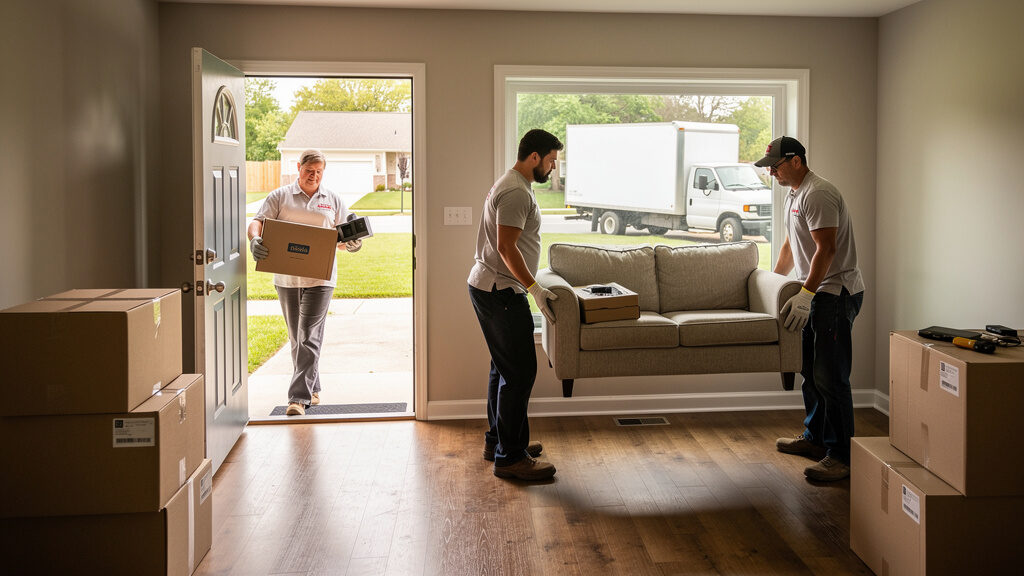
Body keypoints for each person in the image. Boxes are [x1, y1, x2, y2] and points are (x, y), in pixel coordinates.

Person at [756, 136, 865, 482]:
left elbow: (827, 249)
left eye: (775, 165)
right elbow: (792, 243)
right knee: (809, 371)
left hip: (834, 293)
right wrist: (773, 286)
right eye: (769, 167)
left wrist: (806, 294)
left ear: (797, 161)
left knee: (831, 378)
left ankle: (842, 456)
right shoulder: (795, 194)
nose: (771, 171)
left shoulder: (818, 193)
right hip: (816, 292)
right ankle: (816, 439)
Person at [467, 129, 563, 481]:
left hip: (490, 287)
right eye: (551, 160)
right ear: (534, 157)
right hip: (501, 291)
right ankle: (510, 458)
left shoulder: (513, 185)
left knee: (503, 369)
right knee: (521, 373)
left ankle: (500, 442)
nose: (553, 168)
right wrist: (534, 289)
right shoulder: (514, 192)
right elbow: (506, 247)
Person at [248, 149, 363, 416]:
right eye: (309, 170)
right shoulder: (280, 196)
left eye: (319, 172)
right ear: (298, 168)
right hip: (287, 279)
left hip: (321, 279)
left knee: (309, 335)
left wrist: (354, 243)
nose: (314, 176)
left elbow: (343, 242)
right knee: (297, 338)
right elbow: (258, 223)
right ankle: (313, 386)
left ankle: (298, 399)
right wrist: (254, 239)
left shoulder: (332, 199)